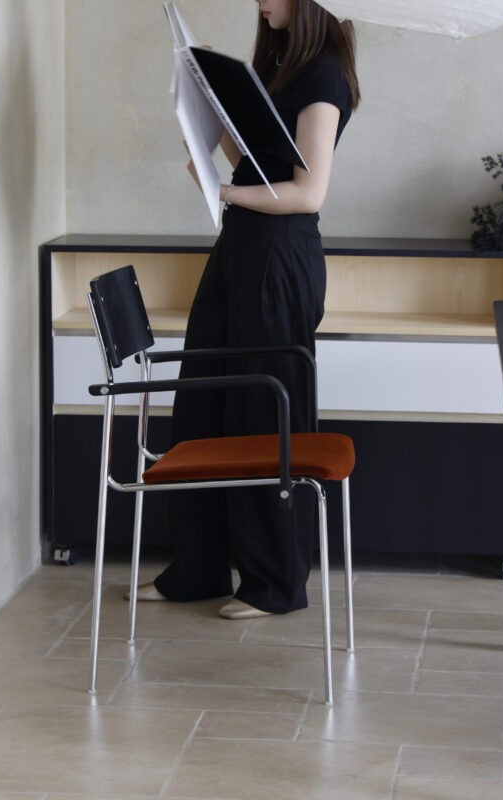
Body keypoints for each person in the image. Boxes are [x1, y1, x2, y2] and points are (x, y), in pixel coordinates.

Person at [136, 0, 360, 618]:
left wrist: (222, 189)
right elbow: (259, 156)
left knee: (265, 415)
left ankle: (273, 582)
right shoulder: (279, 64)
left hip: (279, 257)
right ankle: (199, 568)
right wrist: (207, 133)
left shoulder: (325, 76)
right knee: (202, 403)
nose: (260, 2)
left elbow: (308, 191)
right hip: (239, 247)